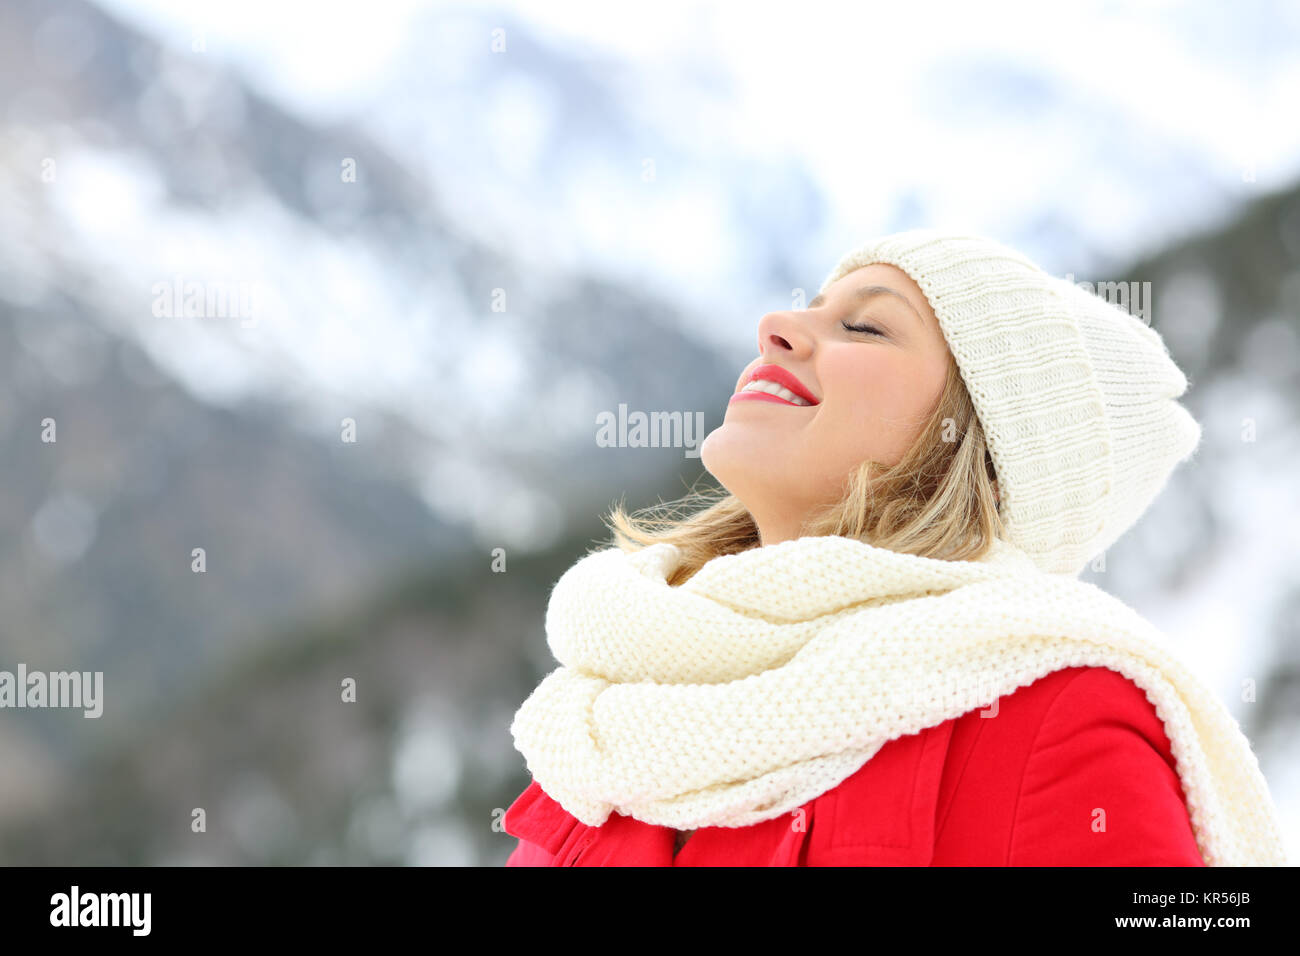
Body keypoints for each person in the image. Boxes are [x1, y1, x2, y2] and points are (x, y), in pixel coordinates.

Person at [502, 229, 1288, 867]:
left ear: (972, 452)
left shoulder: (1062, 717)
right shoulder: (606, 708)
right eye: (811, 307)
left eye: (865, 325)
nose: (776, 328)